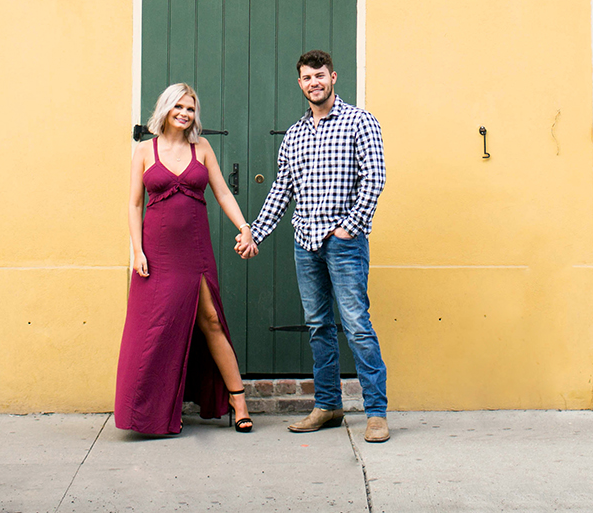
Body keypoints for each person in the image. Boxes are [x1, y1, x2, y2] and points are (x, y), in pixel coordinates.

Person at [241, 50, 390, 443]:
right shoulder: (294, 134)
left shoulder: (360, 121)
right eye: (307, 78)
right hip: (305, 244)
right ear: (300, 83)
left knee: (357, 326)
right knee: (319, 326)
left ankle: (376, 413)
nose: (314, 83)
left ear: (333, 77)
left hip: (344, 244)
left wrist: (350, 228)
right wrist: (256, 231)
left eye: (320, 76)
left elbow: (375, 177)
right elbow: (282, 189)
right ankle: (327, 404)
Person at [114, 83, 260, 436]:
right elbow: (134, 204)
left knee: (210, 320)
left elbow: (222, 191)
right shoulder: (144, 151)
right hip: (157, 252)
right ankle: (154, 412)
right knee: (158, 327)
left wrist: (245, 227)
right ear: (165, 109)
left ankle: (238, 401)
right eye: (178, 106)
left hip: (194, 249)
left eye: (191, 109)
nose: (184, 113)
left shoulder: (202, 148)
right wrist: (138, 250)